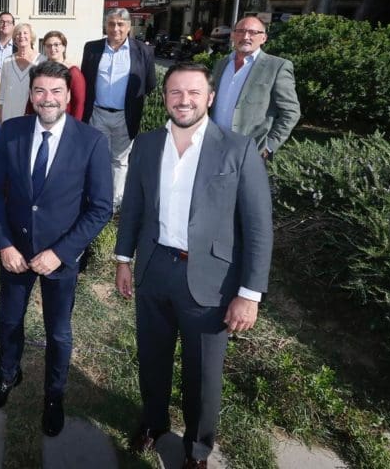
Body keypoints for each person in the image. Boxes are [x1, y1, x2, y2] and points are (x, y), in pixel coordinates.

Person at [116, 62, 273, 467]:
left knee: (202, 374)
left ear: (210, 97)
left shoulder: (237, 149)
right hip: (154, 269)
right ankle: (153, 424)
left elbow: (258, 228)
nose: (184, 101)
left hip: (211, 281)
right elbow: (133, 207)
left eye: (193, 93)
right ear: (164, 97)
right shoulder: (148, 145)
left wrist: (249, 294)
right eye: (175, 93)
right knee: (152, 357)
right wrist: (122, 259)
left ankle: (198, 449)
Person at [0, 60, 113, 437]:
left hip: (60, 258)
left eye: (56, 91)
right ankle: (8, 374)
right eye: (39, 91)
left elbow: (100, 207)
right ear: (30, 95)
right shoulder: (11, 132)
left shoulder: (91, 141)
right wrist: (4, 244)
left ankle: (54, 394)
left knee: (58, 333)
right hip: (16, 254)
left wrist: (61, 252)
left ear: (69, 96)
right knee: (9, 321)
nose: (47, 99)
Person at [81, 8, 157, 211]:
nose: (116, 28)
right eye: (112, 24)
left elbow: (149, 84)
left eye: (120, 24)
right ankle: (96, 198)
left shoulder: (143, 51)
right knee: (97, 158)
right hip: (97, 114)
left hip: (125, 116)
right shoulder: (92, 48)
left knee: (120, 160)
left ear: (129, 27)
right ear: (105, 26)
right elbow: (85, 80)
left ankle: (113, 204)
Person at [210, 16, 301, 160]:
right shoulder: (221, 64)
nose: (246, 37)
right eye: (240, 31)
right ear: (233, 35)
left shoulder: (277, 67)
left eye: (253, 32)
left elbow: (291, 112)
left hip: (249, 151)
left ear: (263, 38)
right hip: (213, 145)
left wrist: (269, 146)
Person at [27, 31, 86, 120]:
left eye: (56, 45)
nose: (52, 48)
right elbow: (32, 97)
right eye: (48, 45)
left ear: (64, 47)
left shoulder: (73, 72)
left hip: (64, 122)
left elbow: (79, 103)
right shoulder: (39, 70)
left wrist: (75, 127)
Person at [0, 22, 44, 122]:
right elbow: (2, 91)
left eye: (25, 33)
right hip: (9, 114)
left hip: (31, 113)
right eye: (18, 33)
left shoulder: (42, 60)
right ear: (14, 39)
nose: (21, 36)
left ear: (31, 37)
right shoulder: (7, 61)